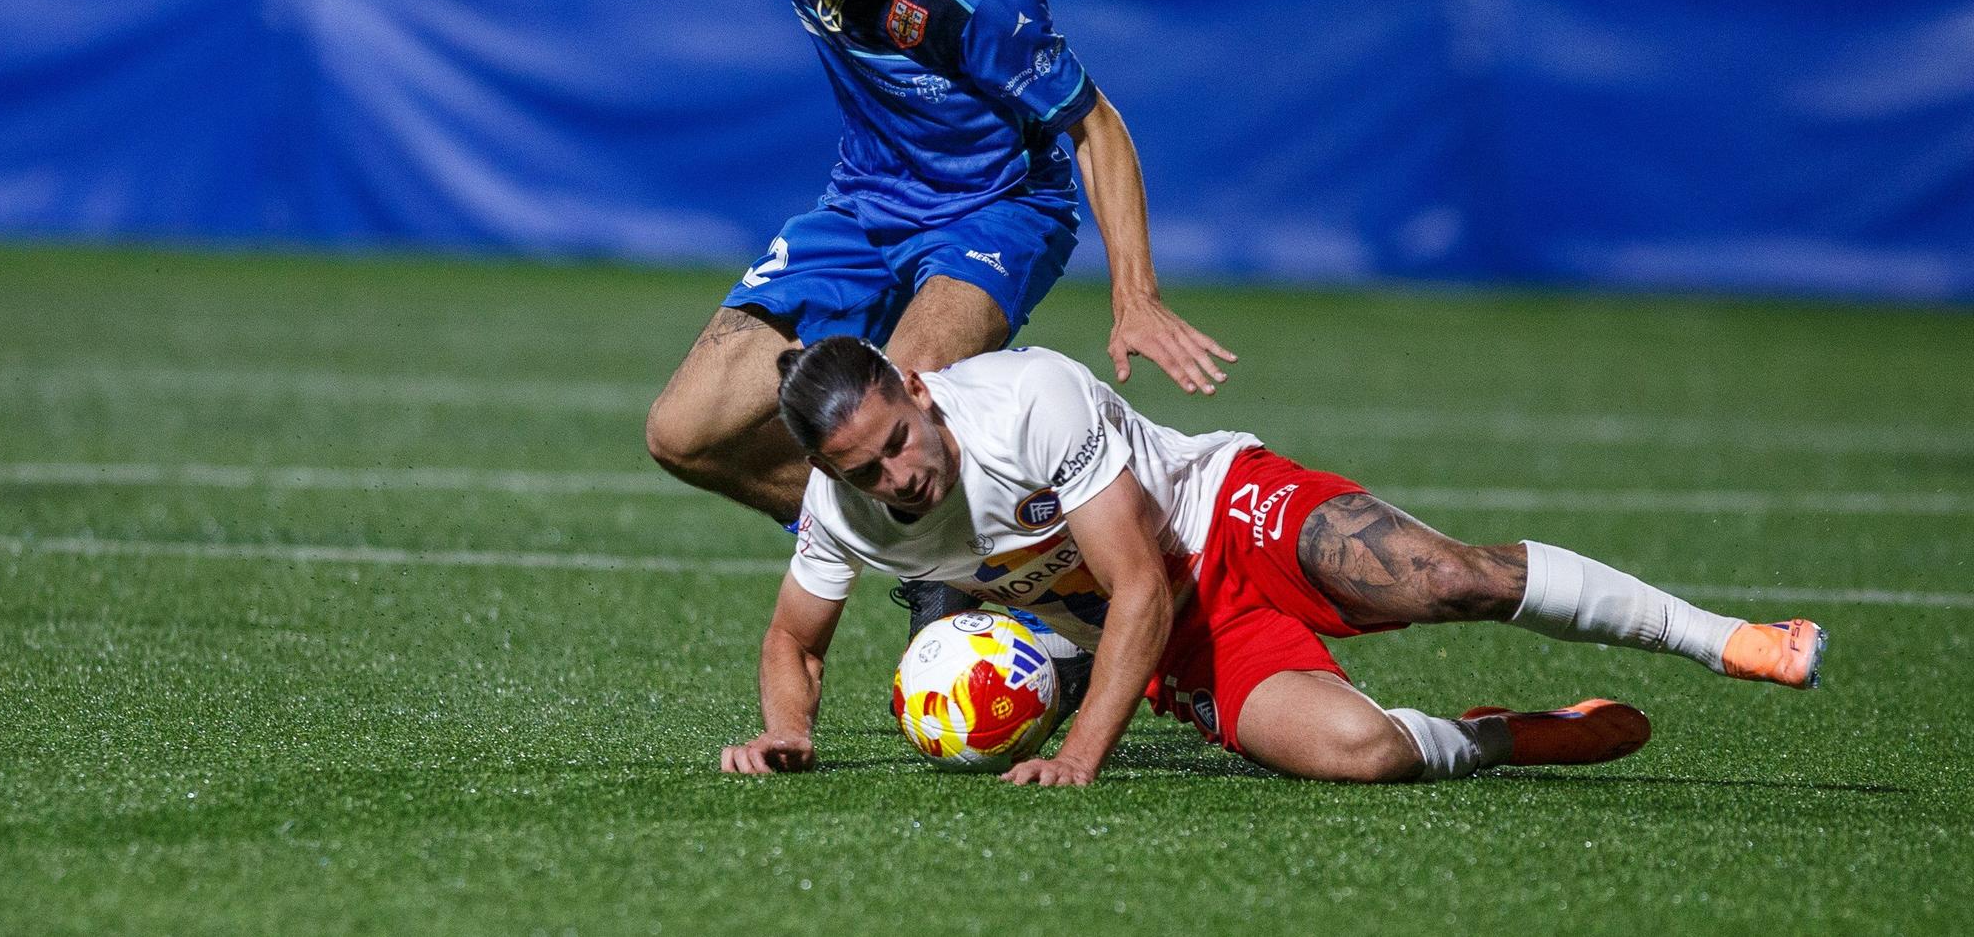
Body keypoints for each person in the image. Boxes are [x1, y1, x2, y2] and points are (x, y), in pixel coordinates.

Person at [478, 0, 1235, 538]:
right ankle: (930, 559)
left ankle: (1016, 584)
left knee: (893, 412)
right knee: (681, 433)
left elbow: (1095, 128)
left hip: (993, 210)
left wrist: (1134, 295)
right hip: (865, 199)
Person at [718, 338, 1827, 784]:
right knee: (1360, 754)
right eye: (865, 470)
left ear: (917, 384)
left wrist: (1079, 755)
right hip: (1167, 633)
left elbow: (1141, 577)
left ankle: (1726, 638)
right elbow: (792, 639)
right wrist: (786, 730)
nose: (897, 477)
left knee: (1448, 576)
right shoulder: (847, 509)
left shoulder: (1024, 401)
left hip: (1220, 516)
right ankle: (1503, 733)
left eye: (899, 440)